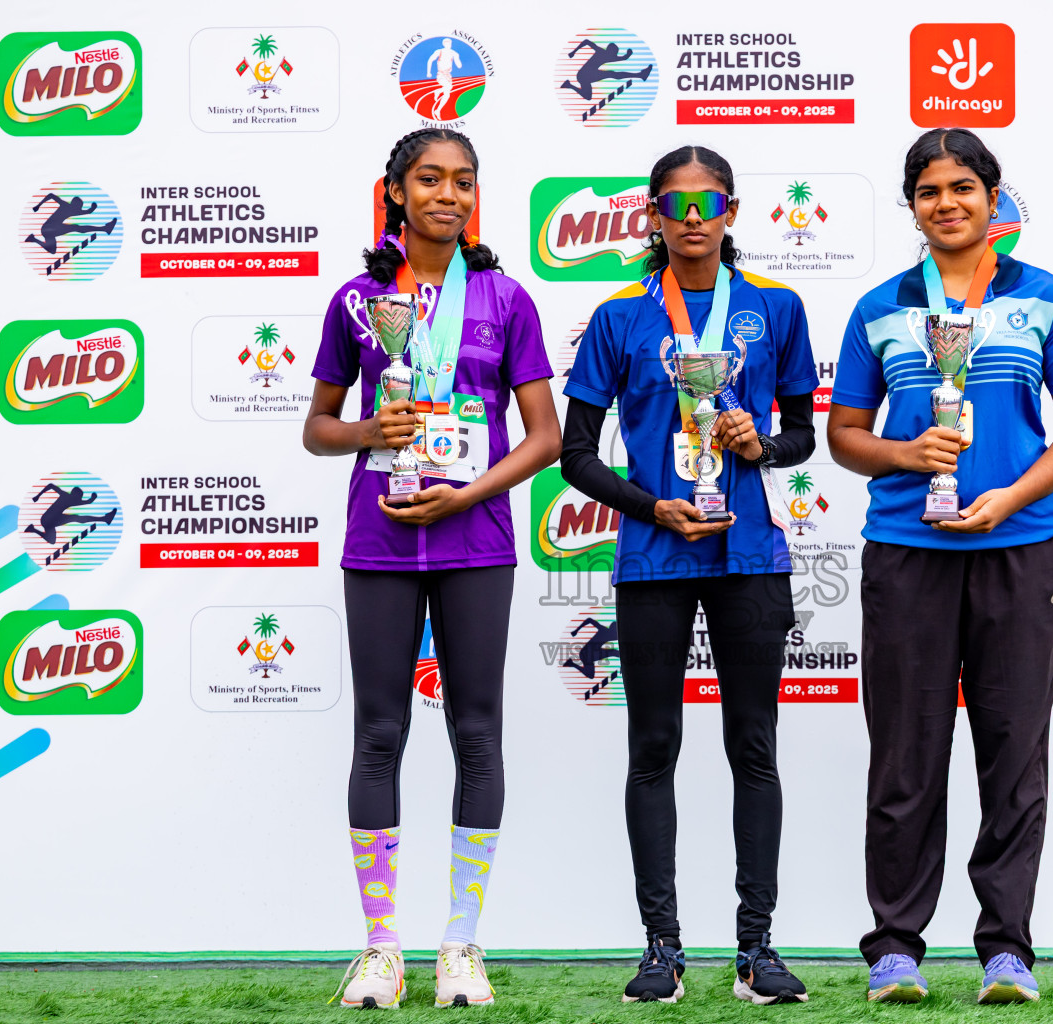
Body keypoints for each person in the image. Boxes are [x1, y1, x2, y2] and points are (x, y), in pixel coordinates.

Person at [827, 128, 1053, 1006]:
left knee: (1014, 757)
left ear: (993, 197)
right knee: (904, 756)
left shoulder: (1046, 297)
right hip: (908, 553)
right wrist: (906, 456)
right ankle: (895, 948)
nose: (946, 203)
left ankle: (1006, 950)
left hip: (1021, 549)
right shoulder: (881, 306)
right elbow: (844, 437)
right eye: (929, 191)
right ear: (912, 206)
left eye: (962, 188)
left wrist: (1012, 497)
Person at [303, 127, 560, 1010]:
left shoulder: (505, 298)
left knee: (476, 733)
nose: (448, 195)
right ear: (397, 192)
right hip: (379, 538)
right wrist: (370, 431)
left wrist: (466, 495)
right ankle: (382, 947)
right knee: (378, 733)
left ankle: (460, 943)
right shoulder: (356, 301)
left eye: (463, 181)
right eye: (429, 179)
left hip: (475, 536)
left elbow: (545, 438)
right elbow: (318, 429)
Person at [560, 145, 818, 1005]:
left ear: (733, 212)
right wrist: (651, 508)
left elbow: (802, 436)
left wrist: (761, 445)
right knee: (652, 749)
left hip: (750, 555)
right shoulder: (619, 316)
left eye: (710, 204)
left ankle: (756, 950)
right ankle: (661, 949)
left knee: (754, 747)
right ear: (653, 215)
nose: (694, 219)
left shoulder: (776, 307)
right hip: (655, 555)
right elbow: (574, 454)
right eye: (677, 204)